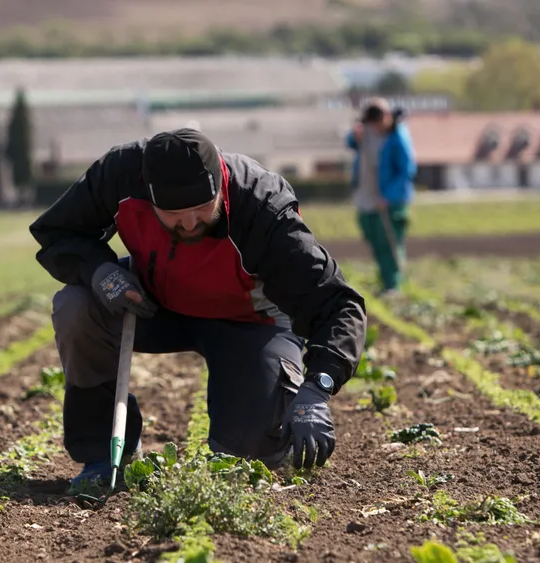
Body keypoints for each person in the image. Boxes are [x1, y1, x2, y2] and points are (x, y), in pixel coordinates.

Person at [29, 127, 367, 495]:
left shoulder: (262, 206)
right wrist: (100, 272)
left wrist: (318, 387)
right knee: (75, 306)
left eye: (202, 208)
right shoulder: (121, 174)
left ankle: (258, 433)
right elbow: (57, 231)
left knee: (250, 454)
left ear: (220, 186)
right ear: (148, 193)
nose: (189, 224)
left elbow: (339, 304)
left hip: (248, 320)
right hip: (151, 302)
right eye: (173, 214)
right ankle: (105, 452)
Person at [345, 97, 417, 297]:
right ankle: (386, 283)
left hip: (389, 201)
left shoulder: (397, 136)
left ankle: (393, 285)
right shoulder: (366, 132)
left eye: (379, 122)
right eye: (372, 123)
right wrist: (355, 136)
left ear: (387, 116)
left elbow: (406, 170)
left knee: (389, 242)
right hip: (367, 198)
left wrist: (388, 196)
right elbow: (351, 142)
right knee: (374, 240)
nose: (376, 127)